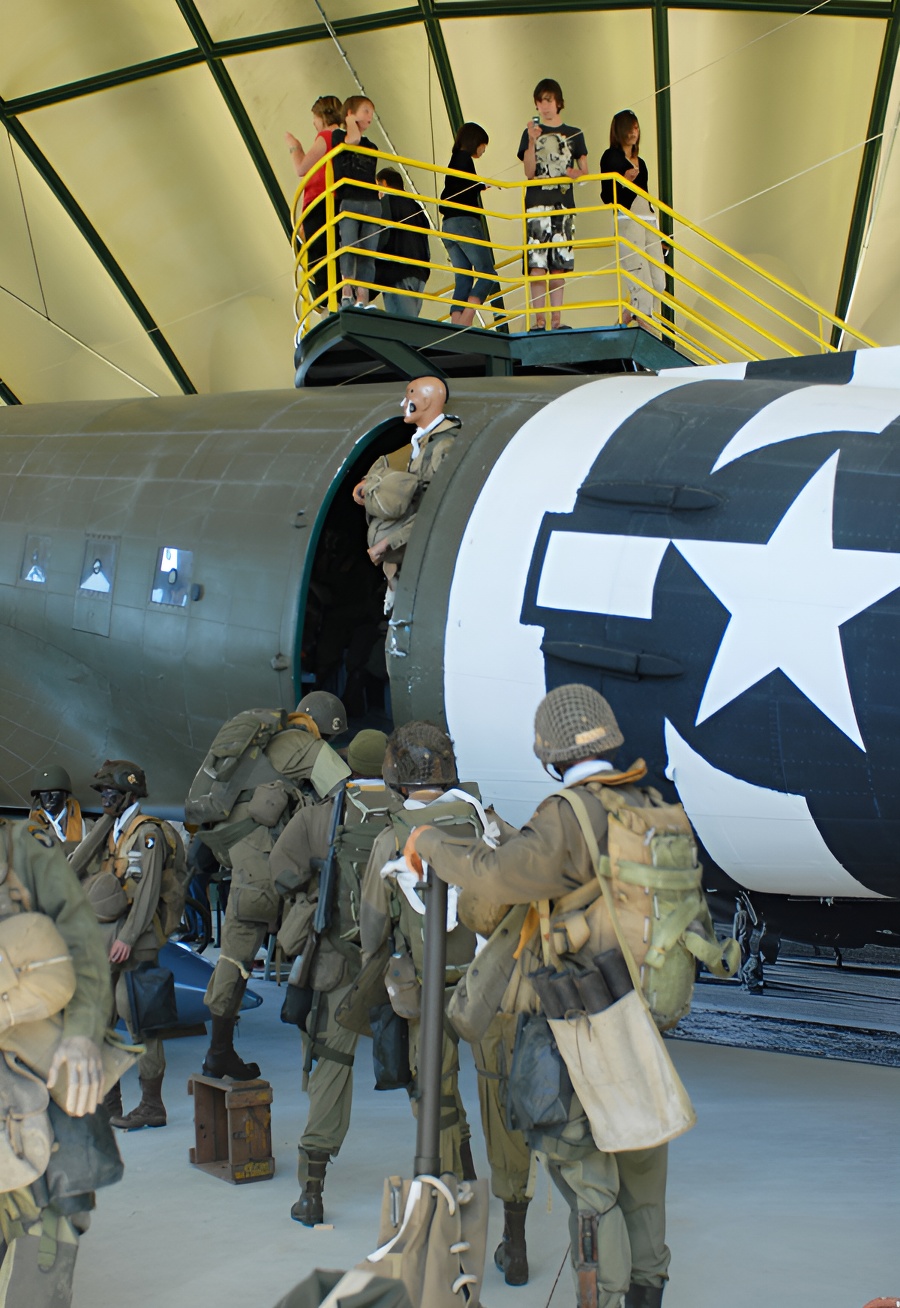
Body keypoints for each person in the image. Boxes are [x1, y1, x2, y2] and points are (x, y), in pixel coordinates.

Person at [403, 685, 672, 1308]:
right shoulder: (651, 805)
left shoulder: (570, 815)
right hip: (644, 1019)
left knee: (589, 1182)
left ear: (550, 757)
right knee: (643, 1176)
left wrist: (433, 845)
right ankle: (648, 1294)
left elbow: (495, 880)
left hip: (582, 1025)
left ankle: (601, 1297)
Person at [359, 722, 534, 1286]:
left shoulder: (391, 838)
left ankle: (459, 1229)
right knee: (504, 1104)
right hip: (493, 990)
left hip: (425, 997)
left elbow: (371, 927)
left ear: (394, 774)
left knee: (438, 1106)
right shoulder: (487, 822)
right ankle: (516, 1240)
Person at [269, 729, 400, 1226]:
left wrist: (316, 885)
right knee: (426, 1074)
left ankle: (312, 1192)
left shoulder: (320, 815)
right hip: (400, 964)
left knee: (330, 1069)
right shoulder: (408, 814)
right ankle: (454, 1178)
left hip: (339, 965)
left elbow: (280, 872)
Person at [187, 692, 351, 1081]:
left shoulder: (259, 750)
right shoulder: (306, 747)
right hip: (261, 870)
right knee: (242, 955)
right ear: (325, 731)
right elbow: (345, 791)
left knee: (236, 956)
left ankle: (220, 1050)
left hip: (243, 863)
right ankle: (221, 1052)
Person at [0, 814, 111, 1306]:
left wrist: (84, 1033)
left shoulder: (26, 856)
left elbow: (84, 944)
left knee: (42, 1217)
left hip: (23, 1066)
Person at [81, 760, 177, 1130]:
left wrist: (127, 938)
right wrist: (105, 820)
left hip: (138, 939)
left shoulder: (146, 834)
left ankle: (152, 1105)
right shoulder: (112, 830)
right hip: (107, 939)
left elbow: (150, 891)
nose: (104, 798)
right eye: (102, 793)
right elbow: (76, 864)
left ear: (129, 794)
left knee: (139, 1017)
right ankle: (109, 1103)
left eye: (110, 793)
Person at [352, 375, 461, 609]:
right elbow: (394, 463)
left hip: (421, 551)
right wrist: (366, 483)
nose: (403, 403)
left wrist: (387, 543)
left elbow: (435, 508)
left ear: (428, 401)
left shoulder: (442, 446)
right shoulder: (421, 441)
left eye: (410, 396)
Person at [517, 79, 588, 331]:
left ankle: (556, 320)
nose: (544, 106)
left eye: (548, 100)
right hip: (536, 203)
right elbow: (528, 172)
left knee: (558, 266)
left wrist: (572, 173)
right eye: (540, 101)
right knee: (537, 265)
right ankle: (539, 320)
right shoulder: (530, 134)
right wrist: (531, 142)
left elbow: (585, 172)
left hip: (563, 204)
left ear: (558, 102)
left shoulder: (575, 133)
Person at [600, 110, 666, 328]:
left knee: (658, 282)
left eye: (637, 127)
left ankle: (625, 318)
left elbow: (645, 194)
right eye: (631, 127)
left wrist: (660, 231)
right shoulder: (611, 157)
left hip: (648, 219)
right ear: (621, 130)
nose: (635, 132)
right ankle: (643, 332)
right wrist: (622, 181)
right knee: (641, 283)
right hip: (628, 220)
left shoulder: (642, 162)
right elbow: (607, 196)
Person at [286, 95, 344, 307]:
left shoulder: (327, 136)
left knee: (319, 257)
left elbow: (301, 167)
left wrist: (294, 146)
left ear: (322, 116)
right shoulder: (345, 138)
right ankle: (338, 299)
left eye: (315, 118)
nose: (313, 123)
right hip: (337, 200)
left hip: (320, 202)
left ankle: (327, 303)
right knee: (336, 256)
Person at [439, 123, 496, 327]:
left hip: (448, 226)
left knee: (463, 277)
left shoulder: (453, 161)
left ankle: (456, 322)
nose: (483, 150)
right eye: (483, 145)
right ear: (475, 142)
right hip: (465, 222)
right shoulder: (464, 160)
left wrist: (478, 186)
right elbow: (466, 187)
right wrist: (480, 186)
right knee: (486, 273)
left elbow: (454, 189)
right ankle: (465, 320)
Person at [331, 96, 381, 308]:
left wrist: (353, 120)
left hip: (369, 201)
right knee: (349, 245)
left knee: (368, 252)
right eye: (365, 111)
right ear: (350, 113)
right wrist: (350, 121)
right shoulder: (338, 135)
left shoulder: (372, 145)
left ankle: (363, 296)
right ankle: (346, 291)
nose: (370, 116)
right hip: (350, 199)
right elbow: (351, 141)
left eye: (371, 112)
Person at [374, 167, 430, 317]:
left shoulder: (387, 201)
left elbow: (382, 236)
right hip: (420, 274)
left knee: (402, 328)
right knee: (410, 322)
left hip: (397, 272)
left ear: (383, 183)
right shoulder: (417, 208)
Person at [28, 765, 90, 854]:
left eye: (55, 792)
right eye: (44, 794)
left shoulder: (88, 828)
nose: (49, 798)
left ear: (66, 795)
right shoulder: (29, 831)